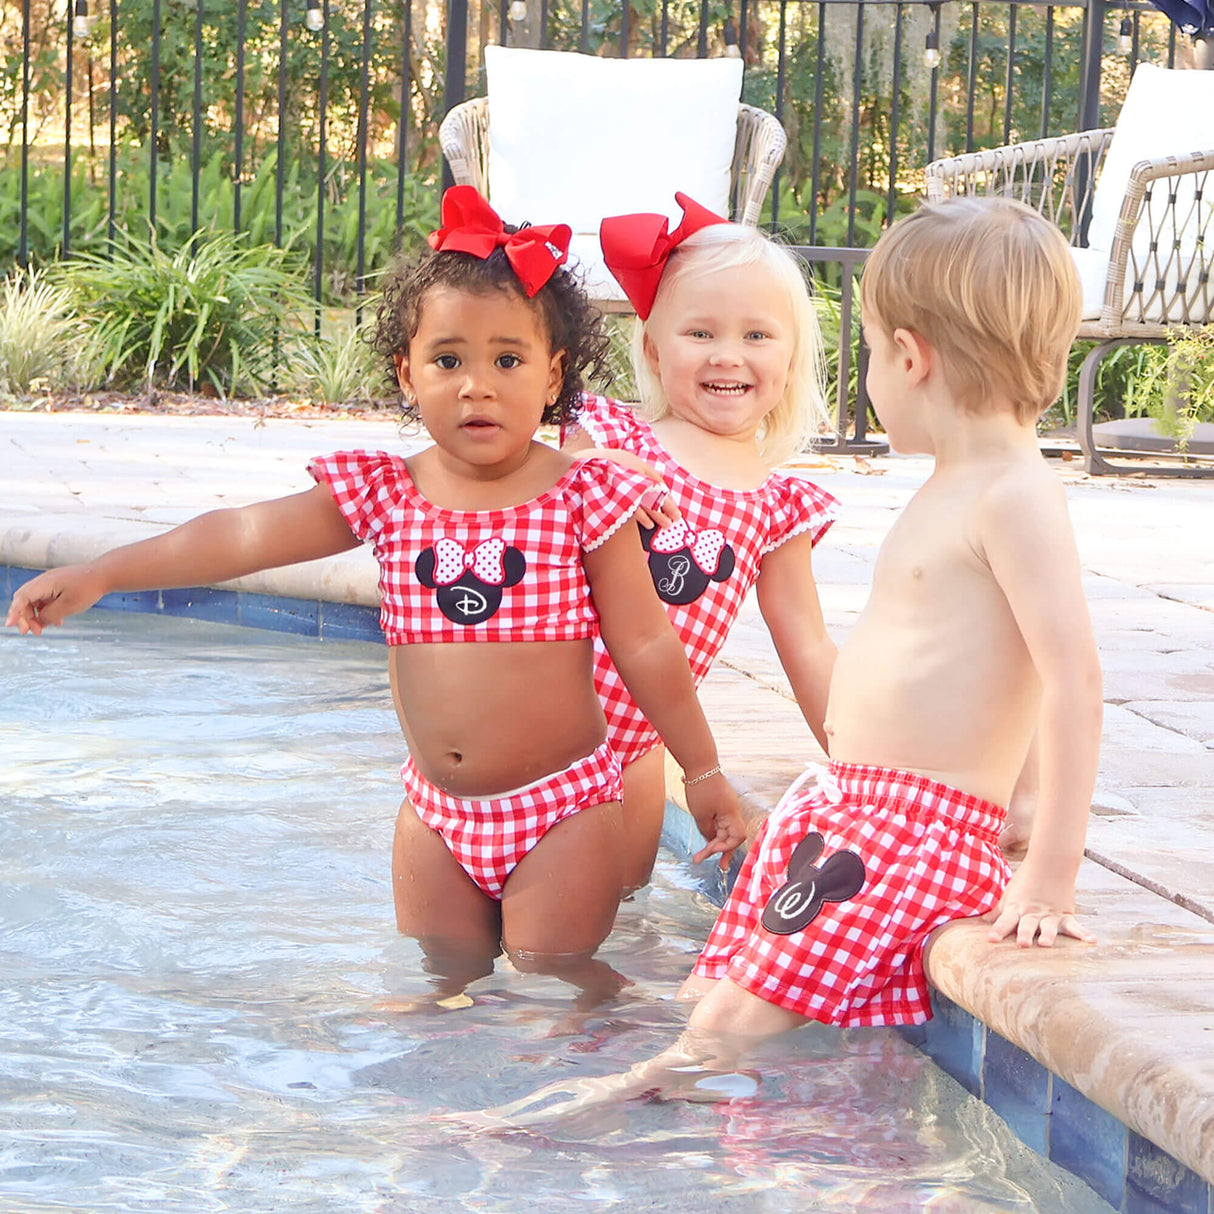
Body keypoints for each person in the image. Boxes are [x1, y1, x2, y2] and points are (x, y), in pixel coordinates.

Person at [5, 185, 746, 1006]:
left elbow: (646, 645)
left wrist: (703, 770)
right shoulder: (386, 492)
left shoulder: (583, 497)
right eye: (447, 360)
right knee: (440, 985)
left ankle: (598, 1104)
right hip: (434, 815)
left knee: (556, 985)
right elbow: (241, 536)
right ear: (407, 373)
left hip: (562, 809)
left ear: (552, 375)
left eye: (507, 360)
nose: (476, 386)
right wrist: (105, 572)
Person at [467, 195, 1102, 1121]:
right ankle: (722, 1115)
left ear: (913, 357)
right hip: (854, 812)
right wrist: (1027, 793)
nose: (874, 376)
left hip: (912, 833)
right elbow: (1010, 665)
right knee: (712, 995)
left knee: (726, 1025)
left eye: (876, 353)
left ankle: (581, 1119)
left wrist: (1050, 866)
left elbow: (1073, 678)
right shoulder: (961, 486)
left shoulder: (1014, 497)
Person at [564, 194, 839, 894]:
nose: (728, 356)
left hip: (636, 760)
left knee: (601, 926)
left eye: (757, 336)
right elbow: (510, 493)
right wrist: (585, 472)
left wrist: (863, 766)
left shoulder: (779, 509)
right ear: (654, 349)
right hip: (539, 733)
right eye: (700, 333)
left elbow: (807, 647)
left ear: (791, 359)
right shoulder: (607, 440)